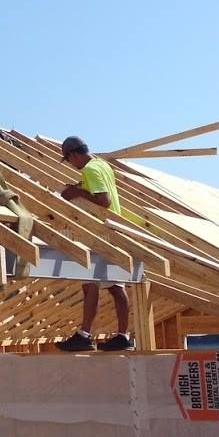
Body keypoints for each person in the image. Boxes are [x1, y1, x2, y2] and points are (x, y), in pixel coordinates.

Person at [55, 136, 133, 351]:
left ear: (74, 155)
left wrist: (75, 192)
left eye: (69, 160)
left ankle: (84, 335)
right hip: (113, 230)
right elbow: (99, 190)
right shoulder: (102, 165)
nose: (71, 164)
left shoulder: (90, 169)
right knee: (116, 286)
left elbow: (103, 201)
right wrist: (82, 187)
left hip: (99, 231)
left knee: (89, 283)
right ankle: (123, 336)